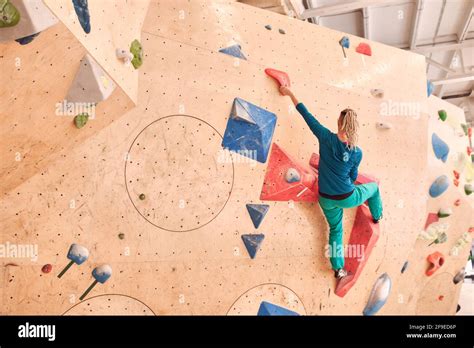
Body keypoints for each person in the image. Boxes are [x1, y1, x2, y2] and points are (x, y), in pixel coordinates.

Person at [279, 86, 383, 280]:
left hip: (325, 198)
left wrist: (290, 92)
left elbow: (306, 114)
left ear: (339, 123)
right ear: (354, 127)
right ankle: (377, 216)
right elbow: (352, 176)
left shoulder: (325, 137)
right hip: (347, 196)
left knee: (336, 229)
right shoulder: (356, 152)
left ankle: (339, 269)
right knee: (374, 188)